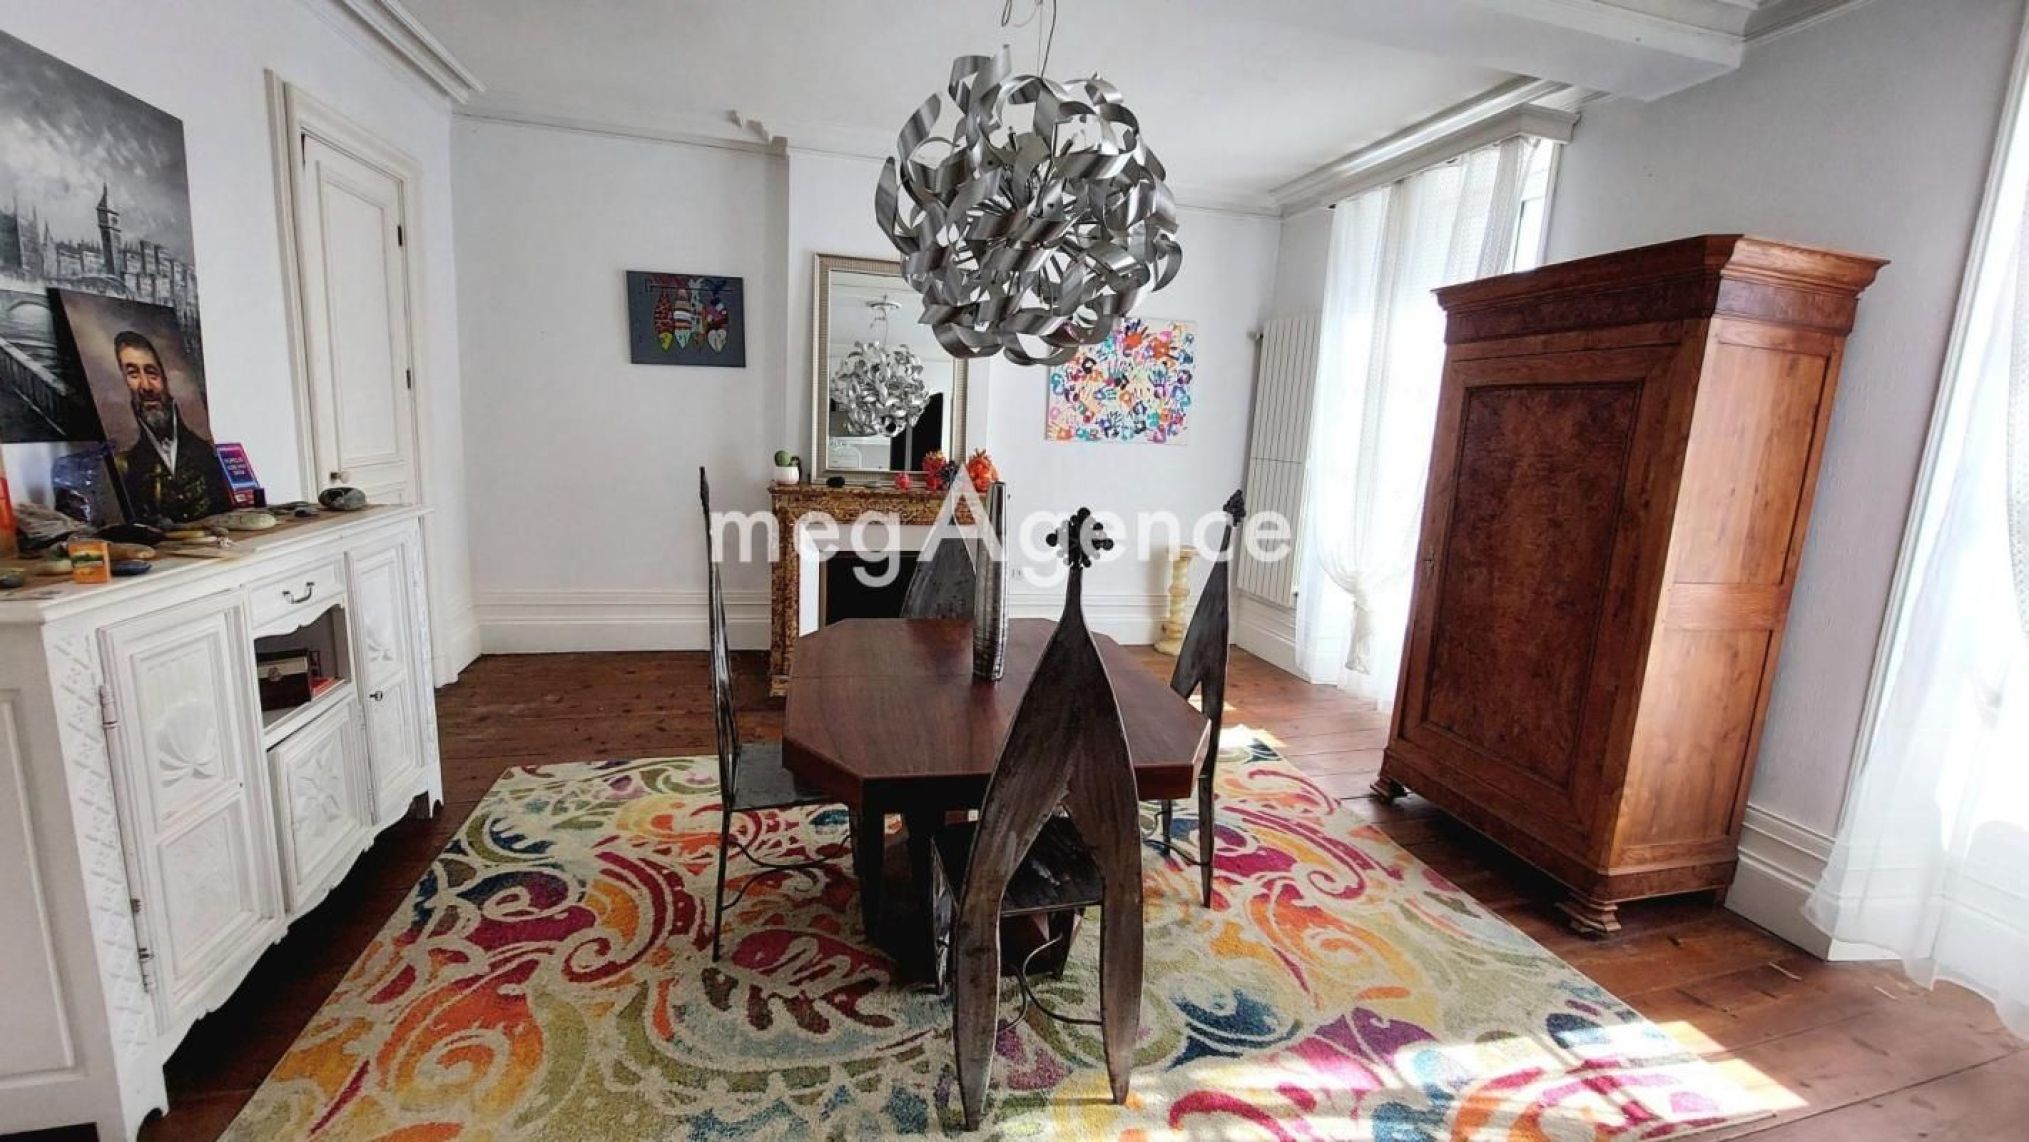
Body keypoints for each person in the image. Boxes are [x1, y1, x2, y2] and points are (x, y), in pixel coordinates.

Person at [109, 330, 229, 523]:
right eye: (133, 374)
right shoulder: (125, 465)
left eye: (151, 373)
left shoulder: (206, 451)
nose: (146, 386)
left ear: (165, 379)